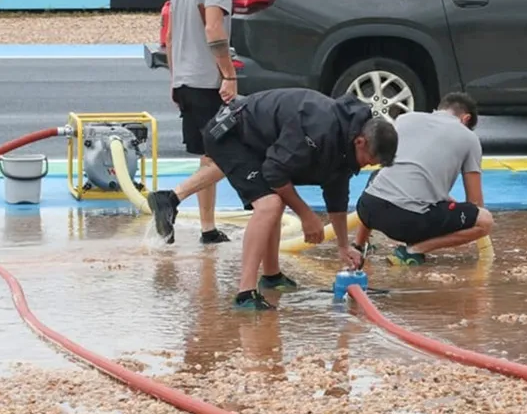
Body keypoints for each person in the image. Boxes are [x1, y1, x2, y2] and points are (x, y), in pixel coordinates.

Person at [146, 88, 399, 311]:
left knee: (275, 198)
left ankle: (271, 276)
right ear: (360, 141)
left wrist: (343, 246)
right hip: (230, 134)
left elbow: (337, 196)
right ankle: (245, 294)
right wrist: (306, 215)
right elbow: (275, 172)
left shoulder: (346, 144)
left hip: (258, 141)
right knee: (269, 204)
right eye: (368, 160)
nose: (365, 166)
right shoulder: (320, 128)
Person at [162, 0, 247, 245]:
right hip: (208, 81)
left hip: (185, 81)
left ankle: (208, 228)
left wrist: (175, 80)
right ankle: (170, 198)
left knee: (209, 157)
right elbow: (214, 28)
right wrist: (229, 74)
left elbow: (170, 37)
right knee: (234, 154)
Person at [353, 92, 494, 266]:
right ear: (466, 118)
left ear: (439, 109)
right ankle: (414, 251)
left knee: (379, 175)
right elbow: (475, 202)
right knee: (485, 220)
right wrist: (460, 215)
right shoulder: (469, 137)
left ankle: (359, 245)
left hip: (367, 208)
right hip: (407, 221)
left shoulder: (405, 119)